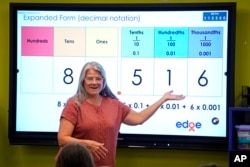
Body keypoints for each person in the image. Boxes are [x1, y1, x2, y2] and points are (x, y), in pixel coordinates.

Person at [57, 61, 185, 167]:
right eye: (90, 78)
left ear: (103, 81)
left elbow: (139, 118)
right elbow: (62, 139)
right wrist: (87, 144)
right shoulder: (74, 104)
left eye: (98, 79)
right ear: (83, 81)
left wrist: (163, 99)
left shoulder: (114, 104)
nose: (94, 82)